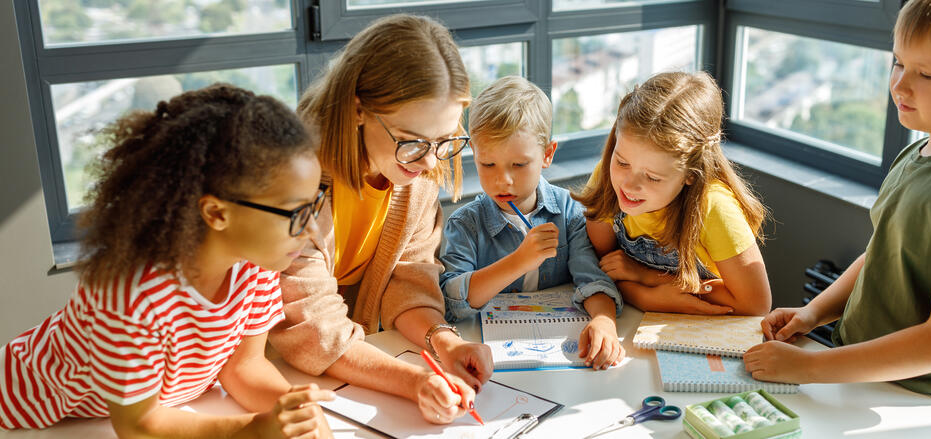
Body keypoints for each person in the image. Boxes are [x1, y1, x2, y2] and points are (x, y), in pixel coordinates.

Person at [743, 1, 931, 437]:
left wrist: (814, 367)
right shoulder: (920, 150)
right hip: (872, 377)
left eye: (926, 74)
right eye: (898, 63)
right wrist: (813, 313)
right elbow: (881, 253)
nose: (900, 85)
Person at [0, 84, 335, 437]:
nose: (313, 229)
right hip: (25, 413)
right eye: (295, 213)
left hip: (133, 410)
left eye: (312, 205)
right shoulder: (130, 293)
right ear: (216, 213)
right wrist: (252, 430)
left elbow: (244, 366)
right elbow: (137, 425)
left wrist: (299, 411)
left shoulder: (256, 262)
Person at [267, 14, 489, 423]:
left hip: (353, 369)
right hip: (280, 382)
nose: (428, 161)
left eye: (443, 141)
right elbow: (315, 329)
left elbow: (409, 284)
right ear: (358, 110)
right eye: (413, 141)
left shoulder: (414, 175)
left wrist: (445, 341)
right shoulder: (294, 179)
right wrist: (415, 382)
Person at [439, 76, 625, 369]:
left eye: (519, 165)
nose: (503, 179)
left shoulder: (568, 211)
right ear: (474, 153)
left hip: (563, 358)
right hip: (491, 362)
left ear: (547, 154)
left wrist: (604, 322)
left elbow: (591, 278)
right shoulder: (465, 224)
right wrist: (518, 261)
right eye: (488, 164)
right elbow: (452, 301)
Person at [574, 71, 771, 316]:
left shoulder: (714, 207)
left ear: (691, 173)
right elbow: (600, 264)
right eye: (622, 162)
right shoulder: (607, 177)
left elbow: (755, 304)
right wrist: (646, 298)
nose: (629, 184)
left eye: (653, 177)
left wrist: (647, 280)